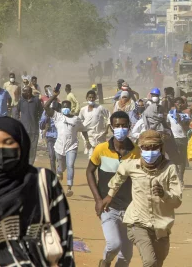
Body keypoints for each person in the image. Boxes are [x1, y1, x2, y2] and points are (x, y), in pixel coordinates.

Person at [0, 117, 75, 266]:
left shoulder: (43, 180)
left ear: (21, 143)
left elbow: (64, 235)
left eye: (8, 142)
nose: (1, 149)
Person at [102, 130, 182, 267]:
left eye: (154, 148)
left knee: (158, 262)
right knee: (149, 262)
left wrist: (164, 194)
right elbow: (118, 178)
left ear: (160, 148)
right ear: (140, 148)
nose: (150, 152)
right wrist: (110, 195)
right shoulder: (131, 165)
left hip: (162, 225)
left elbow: (177, 201)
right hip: (137, 222)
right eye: (146, 148)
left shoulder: (170, 169)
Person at [86, 111, 141, 267]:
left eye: (124, 125)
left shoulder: (136, 152)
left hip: (130, 209)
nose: (120, 128)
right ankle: (105, 262)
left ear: (129, 127)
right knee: (114, 244)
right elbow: (90, 171)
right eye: (117, 125)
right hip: (108, 206)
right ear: (111, 127)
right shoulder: (101, 149)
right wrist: (98, 199)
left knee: (126, 255)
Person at [45, 90, 91, 197]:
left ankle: (69, 187)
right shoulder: (57, 116)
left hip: (72, 146)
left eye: (67, 106)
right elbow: (46, 106)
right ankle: (60, 170)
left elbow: (83, 130)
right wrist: (54, 96)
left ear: (70, 108)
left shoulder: (76, 119)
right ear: (61, 108)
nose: (65, 108)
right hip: (59, 146)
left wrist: (87, 140)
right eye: (63, 106)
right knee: (63, 167)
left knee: (70, 165)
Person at [79, 90, 111, 158]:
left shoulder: (100, 108)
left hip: (100, 135)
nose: (91, 99)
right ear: (86, 98)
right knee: (92, 156)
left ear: (95, 98)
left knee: (101, 156)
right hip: (89, 136)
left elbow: (109, 117)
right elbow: (80, 121)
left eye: (93, 97)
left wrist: (106, 129)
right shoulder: (83, 110)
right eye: (89, 97)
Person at [17, 86, 43, 165]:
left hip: (34, 128)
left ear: (29, 92)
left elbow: (41, 111)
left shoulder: (36, 100)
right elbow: (17, 111)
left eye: (24, 91)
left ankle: (30, 164)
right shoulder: (21, 101)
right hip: (24, 129)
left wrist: (38, 119)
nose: (23, 93)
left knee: (33, 148)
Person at [167, 97, 191, 185]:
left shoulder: (186, 116)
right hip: (174, 139)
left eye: (181, 103)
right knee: (174, 159)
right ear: (174, 104)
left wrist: (180, 120)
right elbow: (168, 126)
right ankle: (176, 177)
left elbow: (187, 128)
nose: (179, 105)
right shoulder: (170, 115)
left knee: (182, 160)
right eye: (177, 103)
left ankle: (181, 177)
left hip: (183, 139)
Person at [39, 101, 60, 174]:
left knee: (59, 156)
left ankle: (59, 170)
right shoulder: (45, 113)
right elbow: (41, 126)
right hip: (49, 136)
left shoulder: (60, 113)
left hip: (59, 137)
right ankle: (54, 172)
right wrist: (46, 118)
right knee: (52, 156)